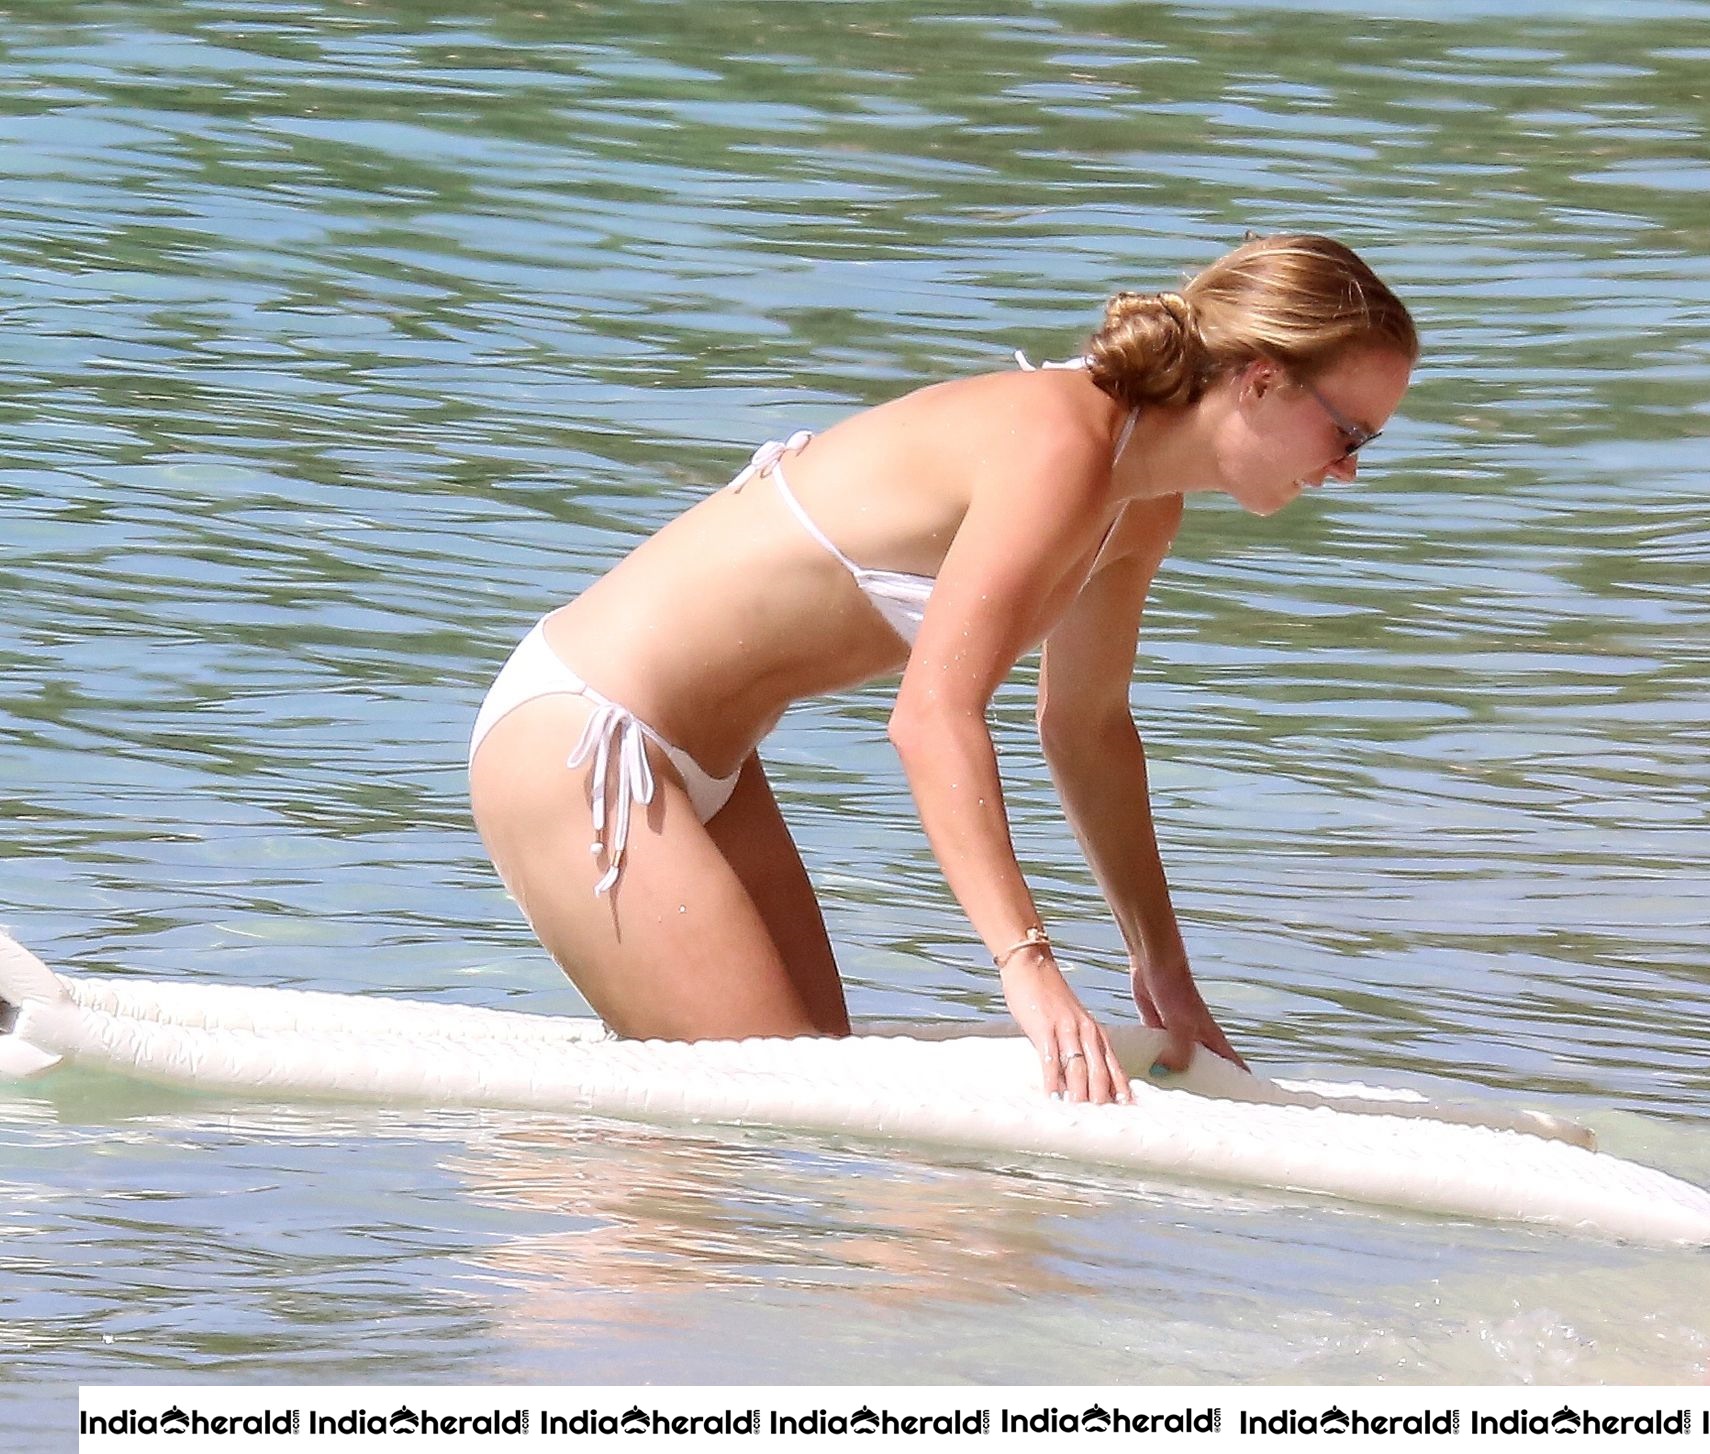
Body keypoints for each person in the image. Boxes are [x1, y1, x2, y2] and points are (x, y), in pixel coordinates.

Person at [467, 233, 1417, 1106]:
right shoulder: (1059, 443)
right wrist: (1027, 966)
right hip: (586, 741)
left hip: (710, 767)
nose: (1349, 471)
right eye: (1351, 434)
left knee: (797, 1080)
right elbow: (932, 720)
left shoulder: (1141, 504)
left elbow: (1084, 729)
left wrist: (1161, 972)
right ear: (1260, 382)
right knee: (765, 1113)